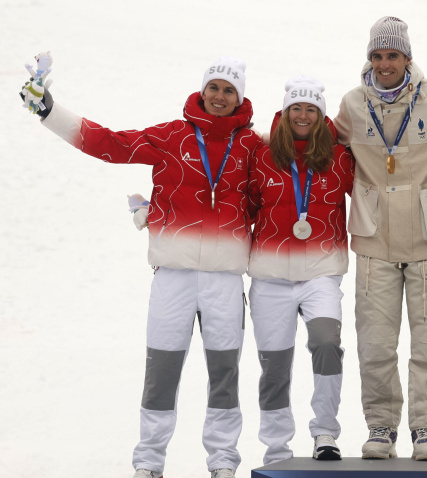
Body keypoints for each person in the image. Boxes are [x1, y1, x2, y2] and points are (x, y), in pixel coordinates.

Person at [22, 57, 263, 478]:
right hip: (173, 277)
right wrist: (50, 112)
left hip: (225, 280)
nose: (220, 96)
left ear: (239, 97)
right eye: (214, 87)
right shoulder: (172, 136)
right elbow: (110, 144)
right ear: (202, 90)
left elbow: (280, 185)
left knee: (224, 373)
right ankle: (149, 462)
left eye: (229, 90)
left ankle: (223, 461)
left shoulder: (253, 146)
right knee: (161, 372)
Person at [334, 15, 427, 461]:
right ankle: (381, 426)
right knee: (375, 344)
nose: (384, 64)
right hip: (375, 241)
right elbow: (321, 148)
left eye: (392, 55)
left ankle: (426, 427)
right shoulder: (353, 104)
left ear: (408, 57)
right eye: (377, 55)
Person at [246, 76, 353, 463]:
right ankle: (277, 448)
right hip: (270, 277)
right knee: (274, 366)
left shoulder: (340, 157)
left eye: (311, 109)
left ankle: (325, 431)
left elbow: (372, 192)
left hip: (321, 273)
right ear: (285, 112)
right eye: (296, 108)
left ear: (321, 115)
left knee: (326, 344)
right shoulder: (262, 155)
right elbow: (242, 206)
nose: (303, 115)